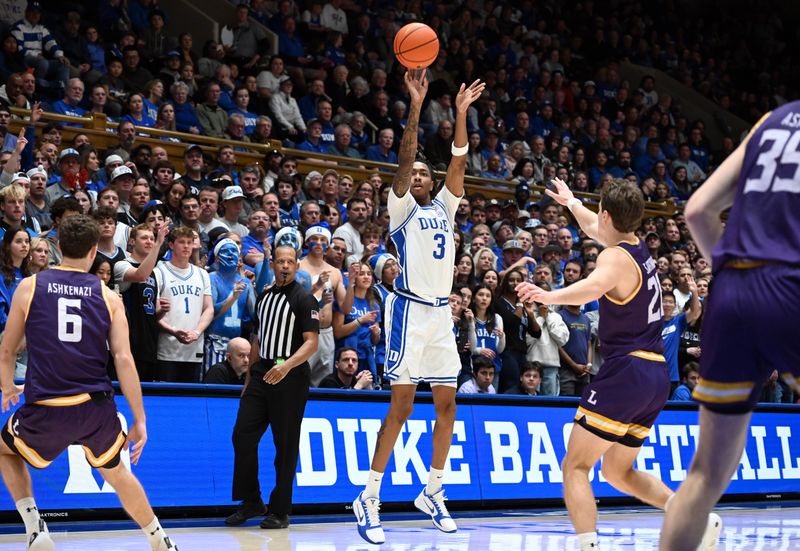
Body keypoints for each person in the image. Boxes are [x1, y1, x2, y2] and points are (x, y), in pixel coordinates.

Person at [516, 178, 720, 551]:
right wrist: (572, 202)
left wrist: (549, 295)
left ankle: (588, 546)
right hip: (655, 374)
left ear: (607, 213)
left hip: (628, 369)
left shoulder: (612, 259)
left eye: (598, 212)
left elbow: (593, 287)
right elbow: (594, 228)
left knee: (576, 467)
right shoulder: (633, 245)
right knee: (616, 470)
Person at [659, 103, 800, 551]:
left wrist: (736, 275)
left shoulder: (772, 121)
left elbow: (698, 210)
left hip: (732, 291)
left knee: (704, 476)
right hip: (791, 286)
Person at [352, 71, 485, 545]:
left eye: (430, 173)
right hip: (408, 312)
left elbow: (460, 161)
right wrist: (414, 105)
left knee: (447, 405)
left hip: (441, 315)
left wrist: (461, 114)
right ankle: (368, 495)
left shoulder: (446, 208)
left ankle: (433, 489)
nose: (424, 177)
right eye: (419, 174)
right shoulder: (402, 208)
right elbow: (406, 155)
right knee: (402, 407)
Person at [0, 215, 179, 551]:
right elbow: (124, 361)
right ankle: (159, 538)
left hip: (46, 405)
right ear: (94, 250)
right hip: (94, 408)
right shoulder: (109, 297)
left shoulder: (30, 286)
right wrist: (140, 419)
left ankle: (35, 527)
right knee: (116, 472)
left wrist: (8, 386)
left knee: (4, 451)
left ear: (58, 247)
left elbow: (7, 349)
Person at [226, 243, 319, 529]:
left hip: (290, 376)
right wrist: (250, 379)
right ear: (273, 263)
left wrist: (286, 365)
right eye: (280, 261)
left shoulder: (305, 299)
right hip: (263, 371)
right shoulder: (264, 297)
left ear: (297, 266)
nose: (285, 266)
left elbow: (311, 342)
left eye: (290, 262)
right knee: (242, 435)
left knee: (285, 445)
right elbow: (257, 338)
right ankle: (252, 500)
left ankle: (279, 510)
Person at [155, 227, 213, 383]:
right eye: (182, 242)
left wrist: (196, 331)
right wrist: (173, 331)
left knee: (191, 400)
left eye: (190, 242)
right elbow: (153, 313)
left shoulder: (202, 274)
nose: (187, 246)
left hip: (194, 348)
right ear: (172, 245)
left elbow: (208, 308)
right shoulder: (159, 272)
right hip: (167, 349)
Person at [114, 223, 170, 382]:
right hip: (129, 339)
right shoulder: (122, 265)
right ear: (132, 242)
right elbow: (140, 275)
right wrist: (159, 244)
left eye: (152, 238)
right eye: (144, 238)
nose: (149, 241)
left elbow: (152, 314)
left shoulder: (156, 272)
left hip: (149, 340)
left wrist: (162, 311)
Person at [204, 238, 256, 372]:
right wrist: (232, 297)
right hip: (215, 342)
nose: (229, 254)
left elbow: (256, 316)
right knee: (215, 382)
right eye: (225, 251)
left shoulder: (246, 282)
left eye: (233, 251)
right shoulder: (211, 278)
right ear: (216, 259)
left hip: (238, 346)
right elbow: (211, 312)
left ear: (239, 258)